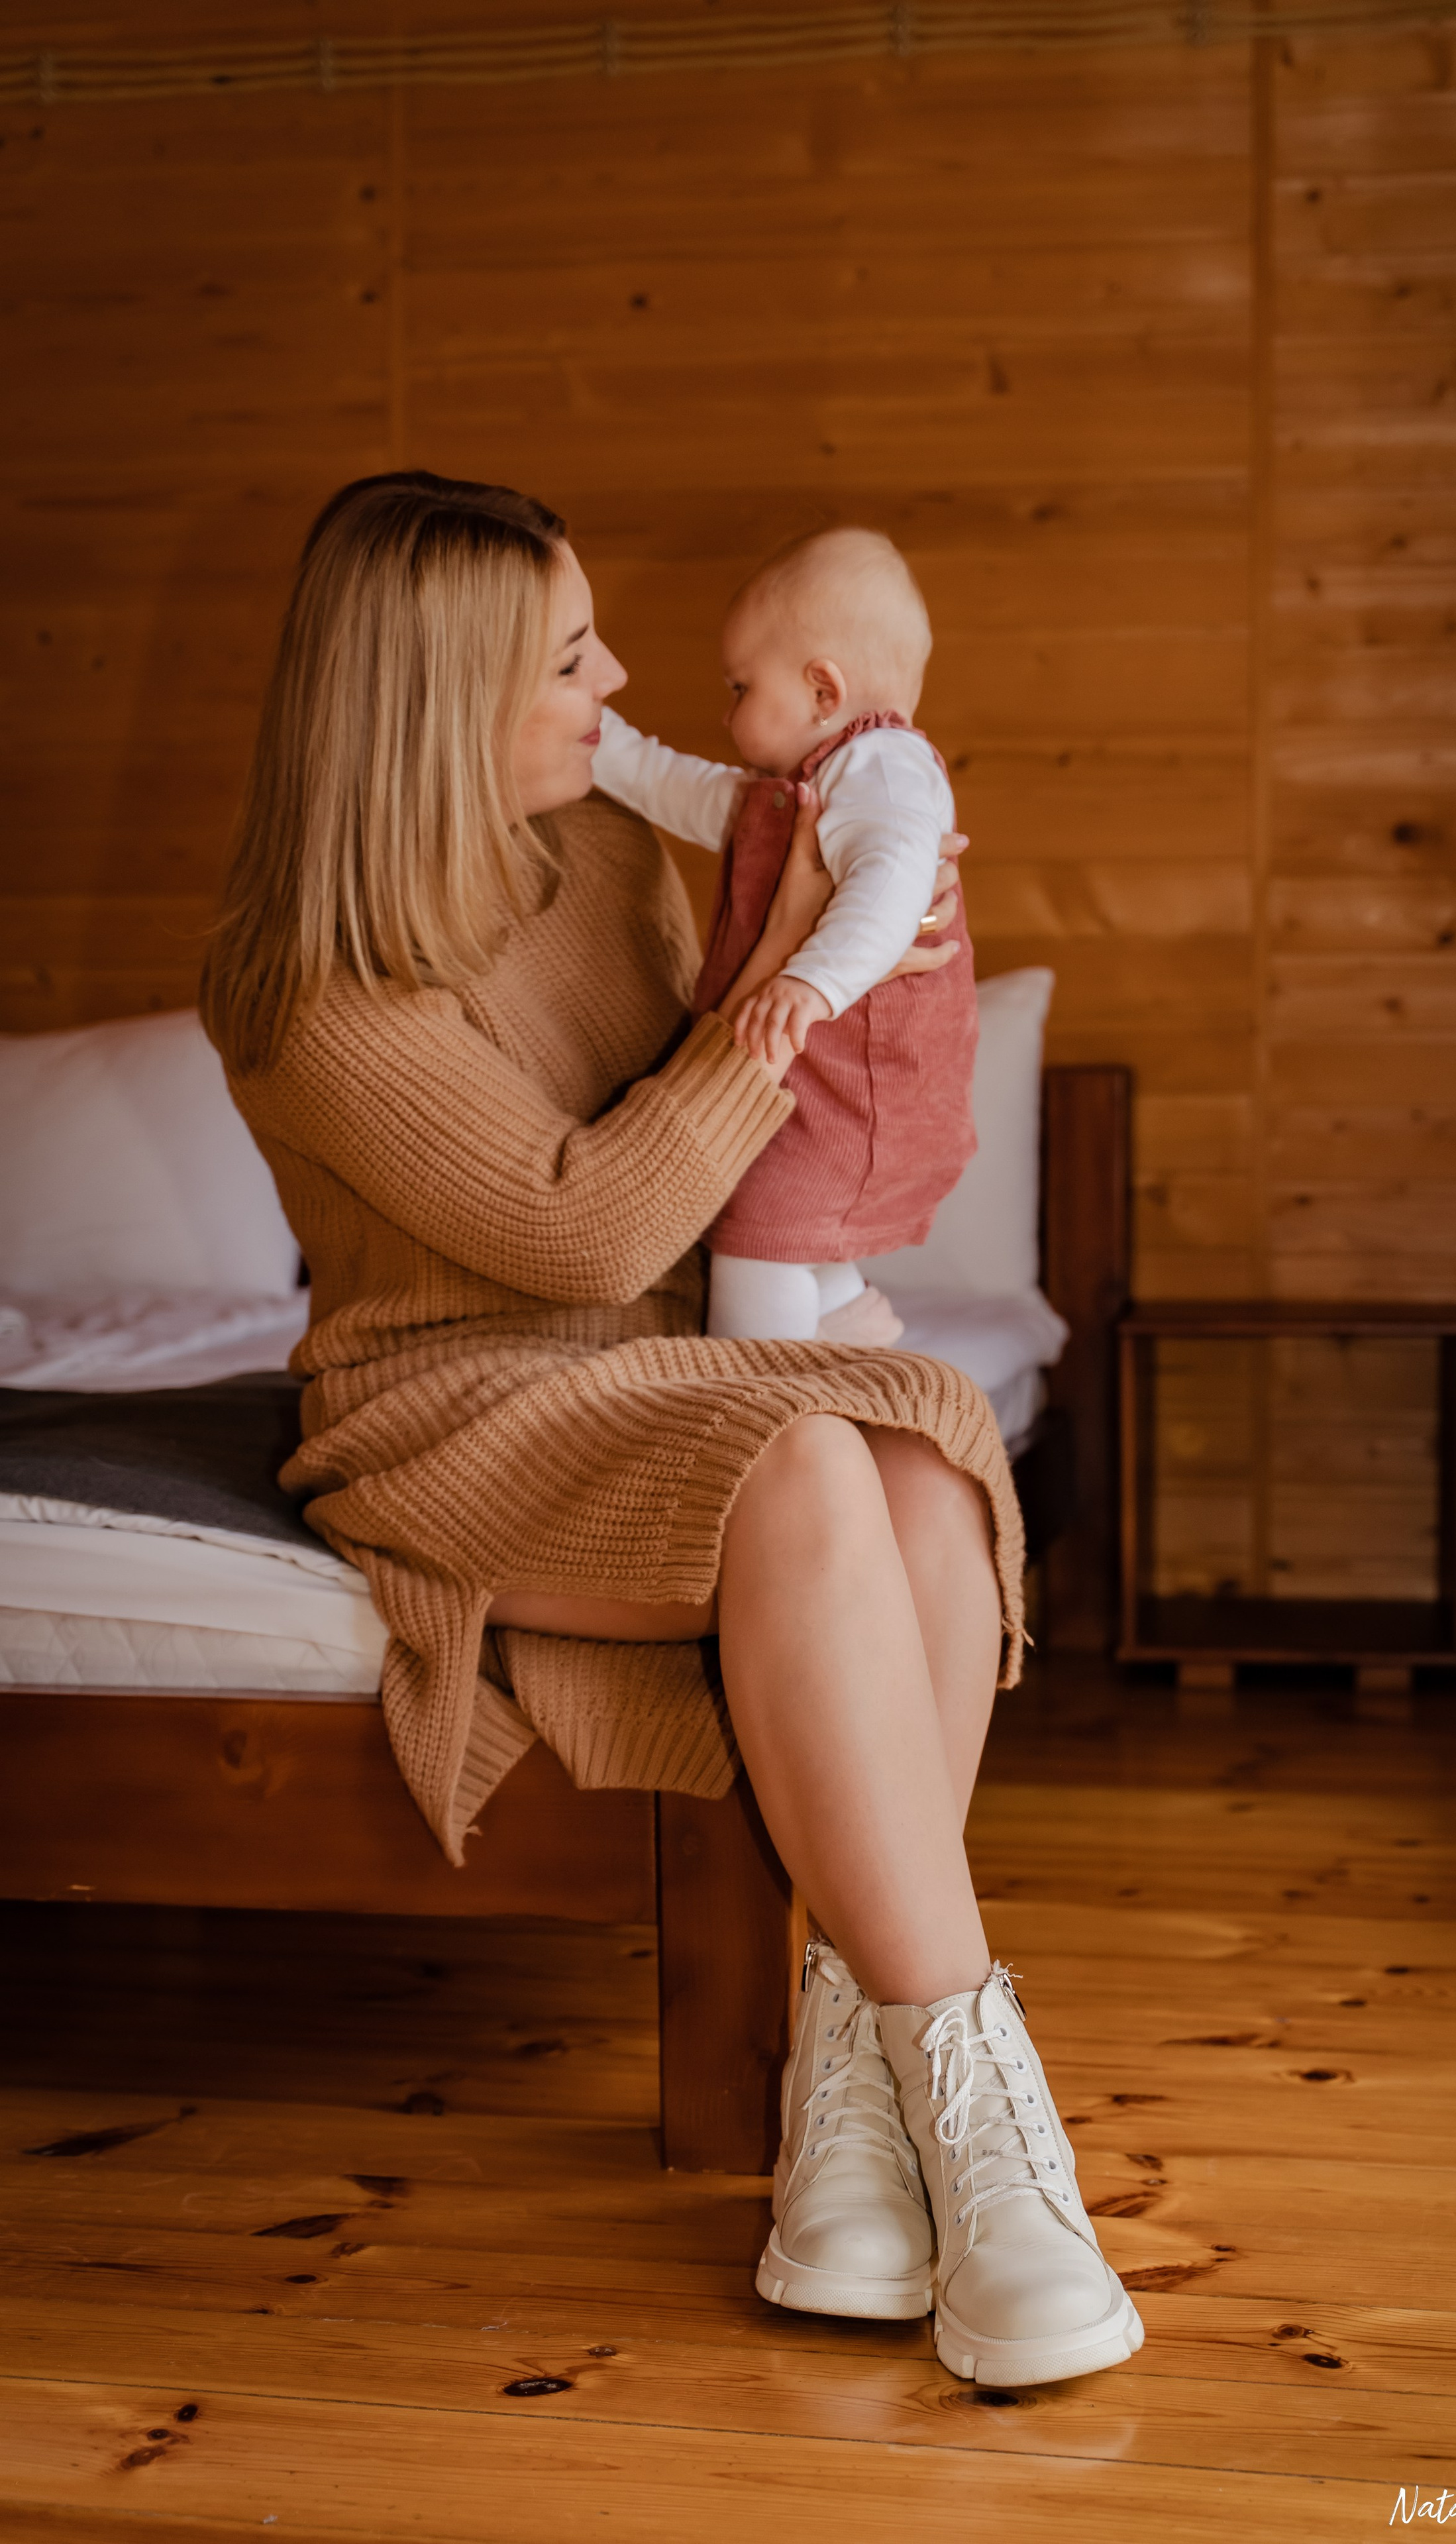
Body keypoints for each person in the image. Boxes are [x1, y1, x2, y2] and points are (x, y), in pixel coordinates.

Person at [200, 470, 1141, 2390]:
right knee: (799, 1461)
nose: (620, 681)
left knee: (928, 1439)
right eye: (570, 654)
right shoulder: (309, 985)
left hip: (662, 1370)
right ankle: (978, 2108)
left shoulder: (614, 856)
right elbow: (587, 1225)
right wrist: (773, 992)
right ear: (440, 696)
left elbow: (754, 1148)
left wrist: (865, 960)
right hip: (453, 1408)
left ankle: (848, 2143)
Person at [590, 527, 977, 1344]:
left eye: (738, 686)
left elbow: (895, 880)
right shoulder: (798, 790)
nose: (723, 708)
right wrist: (599, 741)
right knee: (788, 1228)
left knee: (755, 1243)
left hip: (848, 1088)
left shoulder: (883, 771)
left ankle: (763, 1388)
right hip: (802, 1086)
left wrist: (815, 982)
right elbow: (676, 786)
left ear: (821, 691)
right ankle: (843, 1327)